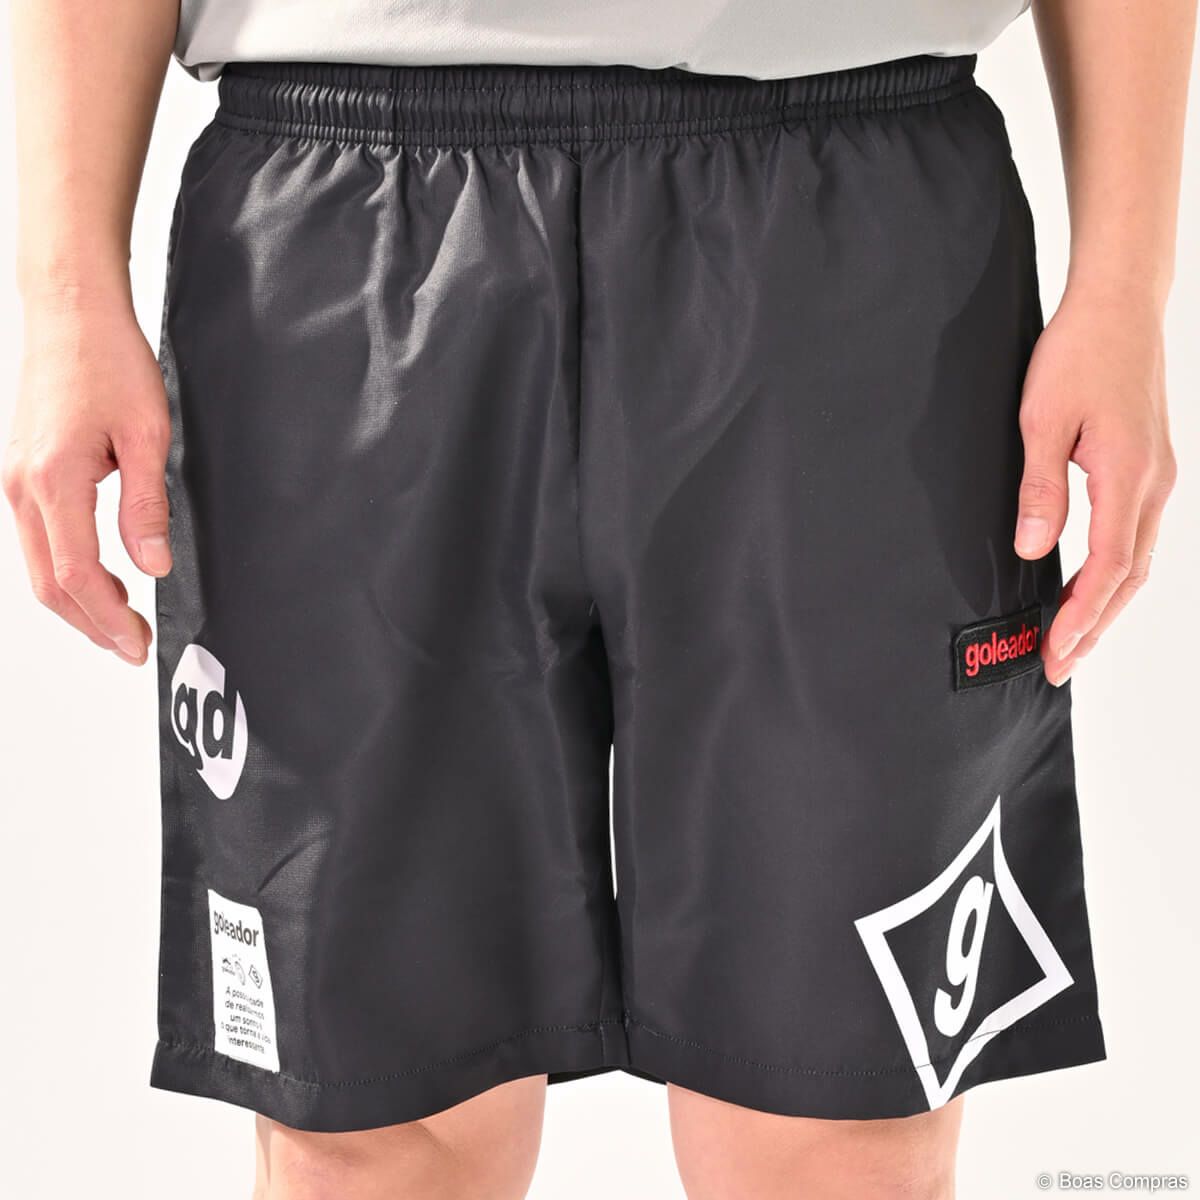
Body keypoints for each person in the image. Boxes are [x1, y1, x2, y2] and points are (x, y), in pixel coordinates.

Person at [3, 1, 1192, 1196]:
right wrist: (61, 293)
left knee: (844, 1117)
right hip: (341, 226)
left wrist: (1126, 287)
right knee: (364, 1128)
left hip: (855, 226)